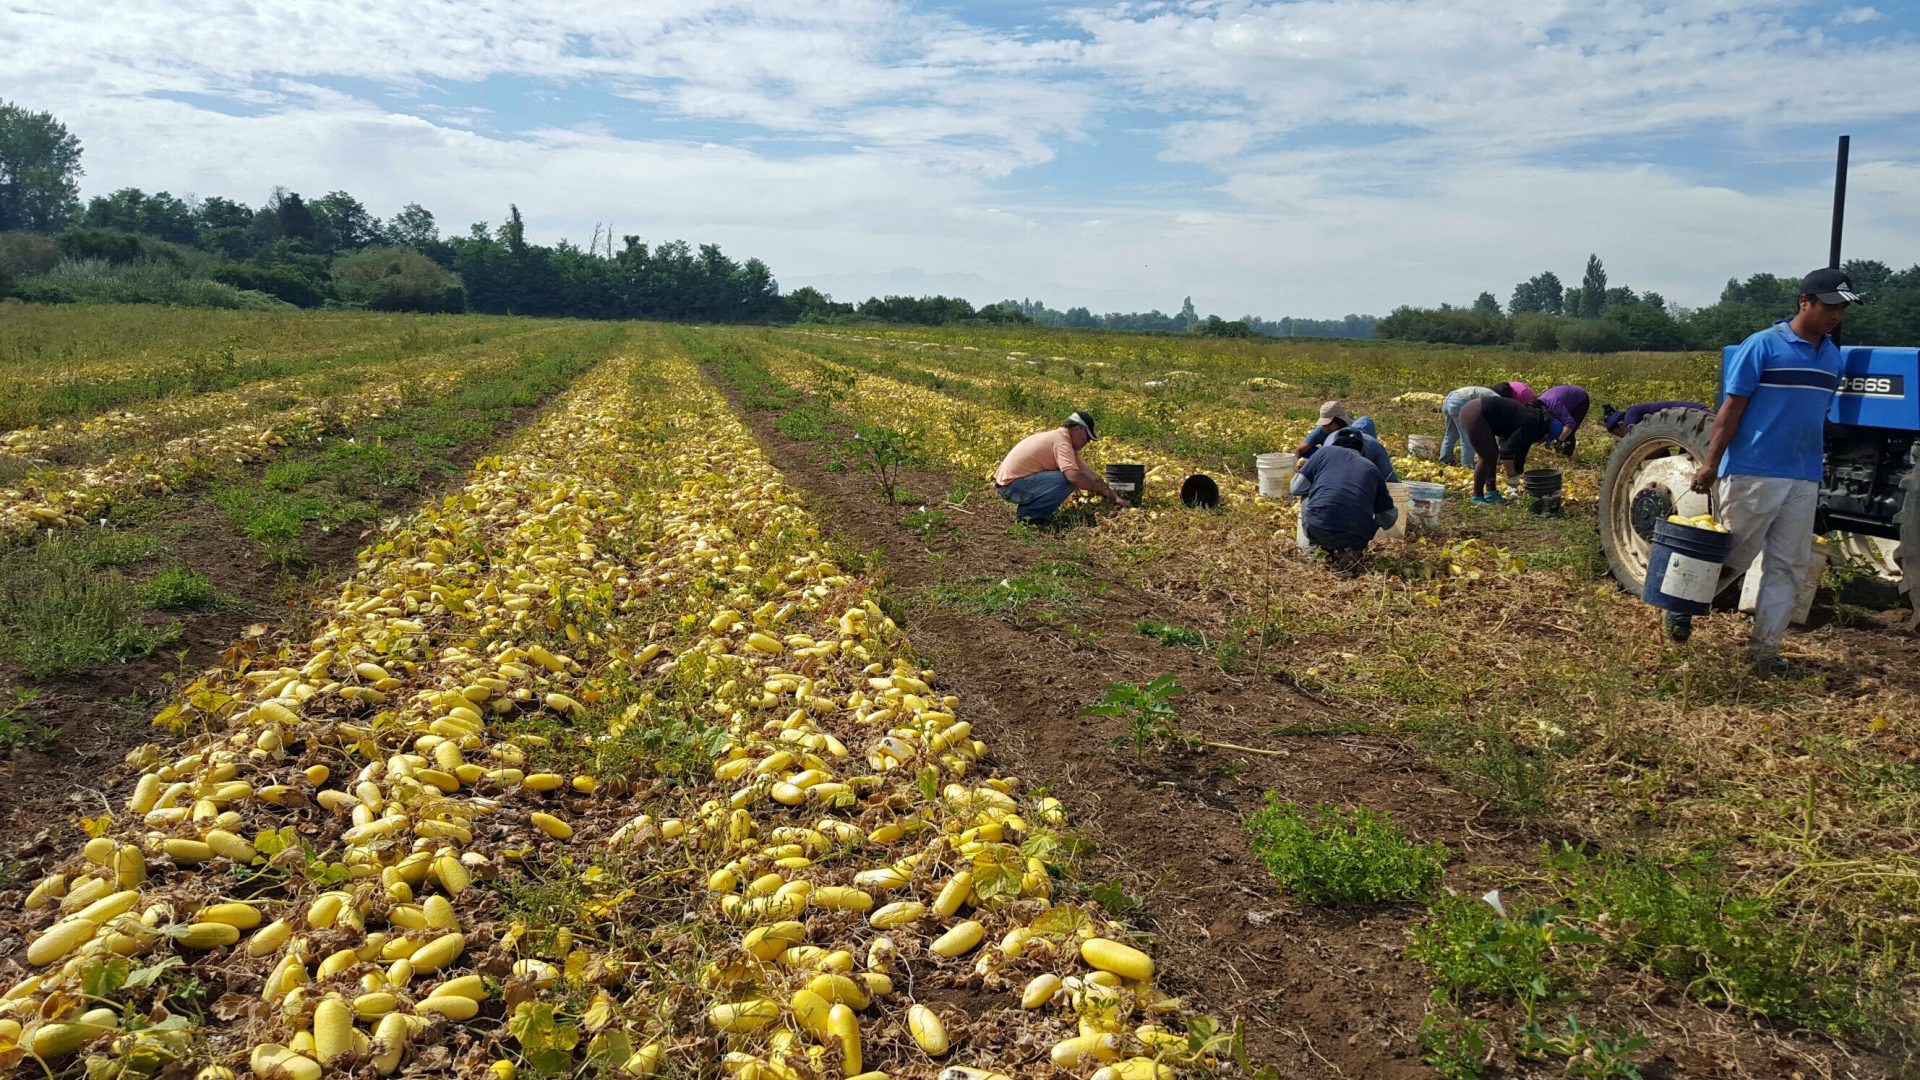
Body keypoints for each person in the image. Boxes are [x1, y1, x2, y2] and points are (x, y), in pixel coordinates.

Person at [1679, 268, 1858, 670]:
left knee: (1789, 565)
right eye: (1830, 306)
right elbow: (1731, 410)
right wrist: (1710, 463)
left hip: (1804, 474)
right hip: (1754, 469)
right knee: (1735, 554)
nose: (1836, 315)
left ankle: (1765, 651)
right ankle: (1683, 601)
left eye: (1843, 309)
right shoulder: (1763, 345)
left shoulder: (1832, 356)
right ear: (1804, 302)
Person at [993, 410, 1130, 524]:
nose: (1087, 442)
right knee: (1068, 479)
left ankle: (1028, 515)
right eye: (1087, 437)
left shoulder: (1061, 440)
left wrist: (1114, 496)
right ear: (1078, 429)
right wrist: (1098, 488)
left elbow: (1087, 473)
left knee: (1075, 475)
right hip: (1011, 487)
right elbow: (1074, 477)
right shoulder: (1061, 442)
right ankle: (1030, 518)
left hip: (1010, 484)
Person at [1290, 427, 1397, 561]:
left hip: (1318, 528)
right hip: (1356, 536)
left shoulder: (1323, 452)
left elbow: (1295, 488)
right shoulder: (1372, 469)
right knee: (1371, 508)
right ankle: (1352, 553)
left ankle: (1317, 550)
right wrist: (1370, 523)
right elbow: (1388, 519)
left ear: (1335, 444)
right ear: (1362, 449)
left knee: (1306, 491)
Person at [1456, 394, 1553, 504]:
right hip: (1475, 413)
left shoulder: (1531, 419)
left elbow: (1519, 449)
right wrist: (1512, 475)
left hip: (1478, 412)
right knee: (1487, 456)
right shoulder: (1531, 423)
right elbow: (1506, 453)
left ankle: (1492, 492)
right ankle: (1477, 495)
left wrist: (1518, 469)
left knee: (1493, 453)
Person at [1294, 401, 1399, 482]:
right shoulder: (1322, 431)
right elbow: (1300, 450)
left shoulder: (1354, 437)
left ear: (1339, 421)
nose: (1325, 427)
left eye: (1328, 424)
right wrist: (1299, 468)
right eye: (1323, 424)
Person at [1439, 386, 1498, 467]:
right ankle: (1467, 464)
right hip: (1459, 402)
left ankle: (1445, 459)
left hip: (1449, 399)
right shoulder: (1498, 401)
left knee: (1451, 434)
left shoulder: (1491, 395)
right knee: (1468, 436)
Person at [1602, 401, 1708, 437]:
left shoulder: (1631, 414)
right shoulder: (1638, 416)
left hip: (1694, 417)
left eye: (1618, 434)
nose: (1622, 437)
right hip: (1700, 414)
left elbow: (1631, 445)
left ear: (1621, 424)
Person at [1538, 384, 1590, 456]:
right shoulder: (1539, 404)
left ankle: (1566, 455)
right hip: (1563, 397)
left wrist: (1559, 441)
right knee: (1556, 425)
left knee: (1569, 432)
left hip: (1581, 400)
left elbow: (1570, 424)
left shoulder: (1555, 406)